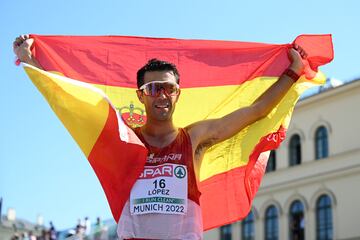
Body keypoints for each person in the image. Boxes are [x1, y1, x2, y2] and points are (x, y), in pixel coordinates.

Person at [14, 35, 307, 240]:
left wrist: (293, 72)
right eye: (154, 89)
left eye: (169, 89)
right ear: (141, 96)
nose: (162, 95)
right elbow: (68, 100)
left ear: (178, 94)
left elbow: (255, 111)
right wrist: (29, 59)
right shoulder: (124, 139)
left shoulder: (195, 137)